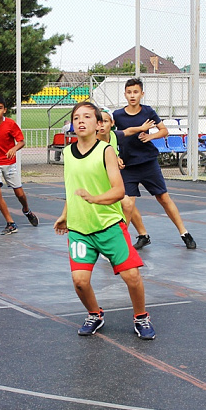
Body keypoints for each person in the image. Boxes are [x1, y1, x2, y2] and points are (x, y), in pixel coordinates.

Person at [54, 101, 156, 340]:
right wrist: (65, 214)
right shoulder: (68, 153)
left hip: (109, 226)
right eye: (77, 117)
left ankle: (141, 317)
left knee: (131, 276)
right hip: (80, 229)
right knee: (80, 281)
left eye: (87, 117)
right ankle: (95, 314)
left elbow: (119, 191)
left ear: (99, 124)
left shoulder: (105, 150)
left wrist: (94, 198)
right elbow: (73, 189)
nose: (80, 121)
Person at [113, 78, 196, 249]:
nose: (132, 95)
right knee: (127, 202)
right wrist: (115, 155)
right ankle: (133, 238)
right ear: (125, 94)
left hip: (148, 162)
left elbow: (164, 130)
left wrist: (150, 136)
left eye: (135, 92)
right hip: (128, 166)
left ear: (142, 94)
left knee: (163, 198)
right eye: (129, 92)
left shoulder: (148, 112)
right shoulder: (118, 115)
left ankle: (184, 232)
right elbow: (112, 137)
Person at [0, 95, 39, 235]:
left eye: (0, 108)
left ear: (4, 110)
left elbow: (21, 141)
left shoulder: (10, 124)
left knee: (20, 194)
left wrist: (14, 149)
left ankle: (26, 210)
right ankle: (11, 223)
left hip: (9, 163)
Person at [97, 108, 154, 250]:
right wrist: (114, 159)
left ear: (112, 123)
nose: (102, 125)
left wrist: (142, 128)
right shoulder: (93, 141)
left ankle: (120, 238)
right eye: (99, 121)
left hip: (111, 183)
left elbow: (128, 131)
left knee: (128, 204)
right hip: (97, 183)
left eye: (105, 121)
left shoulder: (114, 136)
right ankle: (109, 241)